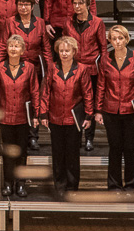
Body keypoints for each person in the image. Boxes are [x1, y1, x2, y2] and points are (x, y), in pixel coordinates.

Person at [95, 25, 134, 191]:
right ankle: (114, 185)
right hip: (110, 110)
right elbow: (101, 85)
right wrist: (98, 110)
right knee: (114, 148)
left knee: (130, 148)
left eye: (120, 38)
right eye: (114, 39)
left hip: (132, 110)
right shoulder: (105, 59)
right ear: (110, 41)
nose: (117, 42)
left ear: (127, 39)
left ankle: (132, 185)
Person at [39, 35, 93, 195]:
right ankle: (60, 186)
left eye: (67, 51)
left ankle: (72, 186)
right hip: (55, 117)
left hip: (73, 119)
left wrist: (89, 115)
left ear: (74, 51)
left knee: (72, 154)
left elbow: (88, 93)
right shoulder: (52, 68)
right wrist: (43, 113)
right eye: (61, 50)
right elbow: (45, 91)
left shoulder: (82, 69)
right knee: (57, 154)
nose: (64, 53)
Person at [0, 34, 40, 198]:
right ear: (7, 49)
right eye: (11, 46)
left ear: (22, 50)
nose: (13, 49)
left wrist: (36, 115)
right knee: (7, 153)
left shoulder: (30, 68)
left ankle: (20, 184)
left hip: (22, 117)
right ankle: (7, 183)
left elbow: (35, 92)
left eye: (17, 46)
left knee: (21, 152)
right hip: (5, 117)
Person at [3, 0, 49, 151]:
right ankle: (20, 135)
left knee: (35, 101)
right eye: (20, 4)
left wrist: (50, 69)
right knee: (19, 101)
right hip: (15, 68)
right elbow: (3, 45)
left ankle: (33, 136)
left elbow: (46, 47)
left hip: (35, 68)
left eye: (27, 4)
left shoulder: (40, 23)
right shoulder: (10, 22)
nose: (23, 7)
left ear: (32, 6)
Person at [63, 0, 106, 151]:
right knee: (74, 103)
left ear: (88, 5)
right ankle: (75, 137)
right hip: (74, 68)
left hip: (91, 69)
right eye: (74, 3)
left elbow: (103, 48)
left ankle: (89, 138)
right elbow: (65, 44)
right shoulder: (68, 23)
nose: (77, 6)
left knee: (90, 104)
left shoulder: (97, 23)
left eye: (80, 3)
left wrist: (103, 68)